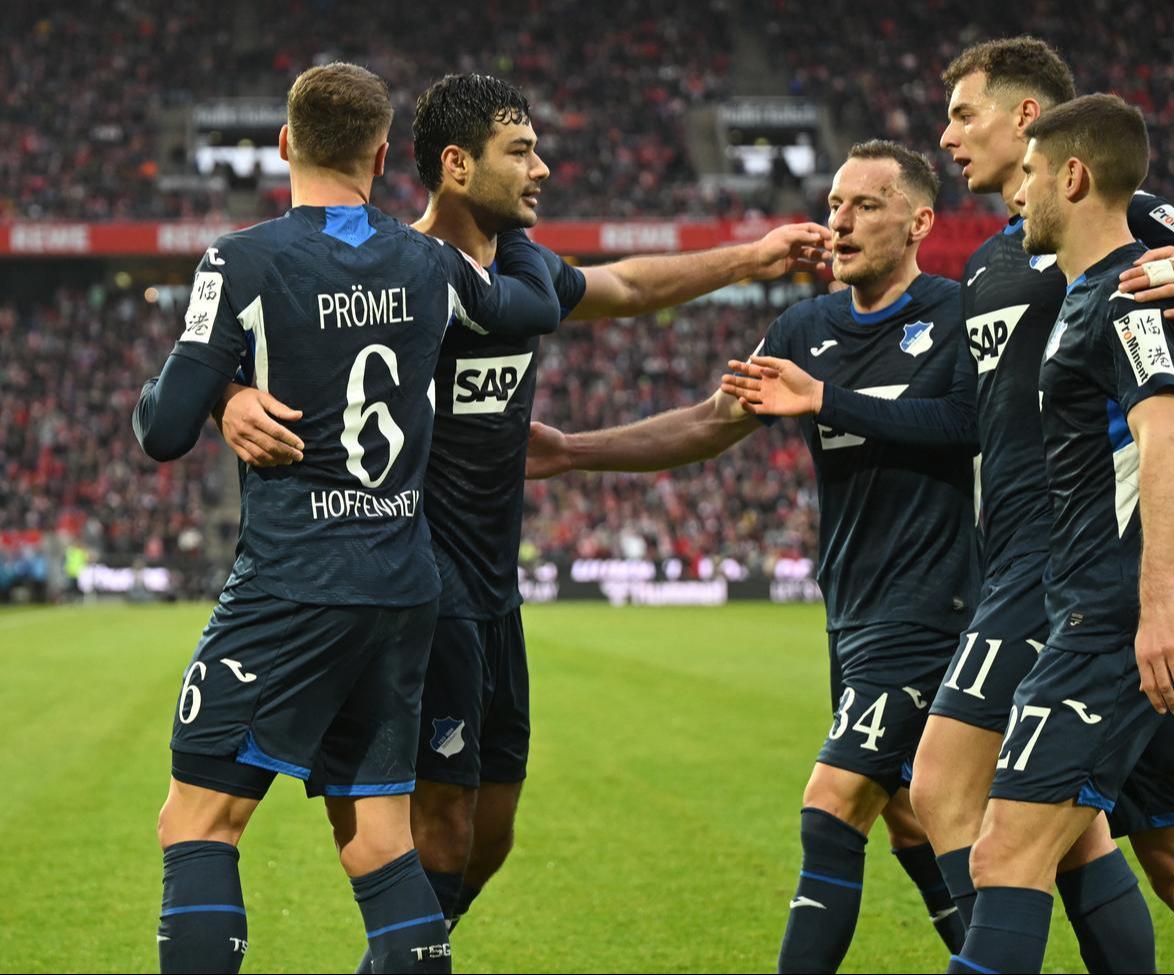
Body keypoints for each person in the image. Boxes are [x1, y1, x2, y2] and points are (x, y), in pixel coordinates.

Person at [211, 72, 832, 950]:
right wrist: (228, 395)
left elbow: (624, 287)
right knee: (442, 827)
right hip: (422, 586)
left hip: (497, 594)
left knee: (490, 832)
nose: (542, 167)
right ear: (457, 166)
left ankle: (407, 951)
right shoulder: (403, 272)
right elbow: (289, 345)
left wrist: (750, 256)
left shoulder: (528, 267)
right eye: (522, 151)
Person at [726, 35, 1174, 974]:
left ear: (1033, 128)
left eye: (963, 114)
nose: (946, 135)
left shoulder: (1122, 223)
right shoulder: (992, 263)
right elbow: (976, 419)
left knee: (953, 796)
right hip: (1042, 572)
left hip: (1064, 578)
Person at [131, 62, 564, 975]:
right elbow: (530, 303)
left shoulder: (239, 259)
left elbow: (163, 429)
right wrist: (522, 240)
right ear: (379, 154)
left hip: (294, 581)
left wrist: (221, 397)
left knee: (199, 817)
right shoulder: (432, 261)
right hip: (407, 591)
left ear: (285, 145)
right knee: (379, 838)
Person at [528, 140, 976, 972]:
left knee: (833, 804)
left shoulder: (958, 314)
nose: (840, 220)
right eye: (835, 203)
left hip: (938, 600)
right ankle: (995, 953)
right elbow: (709, 423)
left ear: (920, 222)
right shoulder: (806, 327)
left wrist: (828, 400)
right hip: (853, 607)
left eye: (865, 206)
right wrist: (570, 449)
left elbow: (971, 425)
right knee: (910, 812)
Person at [946, 92, 1174, 975]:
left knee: (1003, 855)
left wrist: (1156, 598)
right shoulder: (1145, 300)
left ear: (1072, 176)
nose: (1015, 194)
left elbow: (1165, 434)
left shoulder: (1116, 299)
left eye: (1027, 176)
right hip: (1143, 622)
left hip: (1112, 624)